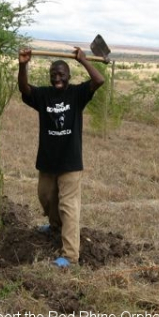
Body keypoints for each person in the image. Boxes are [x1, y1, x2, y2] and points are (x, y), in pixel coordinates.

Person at [18, 47, 105, 268]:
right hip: (47, 161)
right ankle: (55, 226)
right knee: (46, 198)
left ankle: (70, 255)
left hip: (70, 162)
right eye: (53, 74)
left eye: (61, 74)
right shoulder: (44, 95)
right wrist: (23, 65)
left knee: (69, 206)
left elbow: (99, 80)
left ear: (69, 76)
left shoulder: (77, 94)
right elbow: (24, 89)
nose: (57, 78)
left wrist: (83, 60)